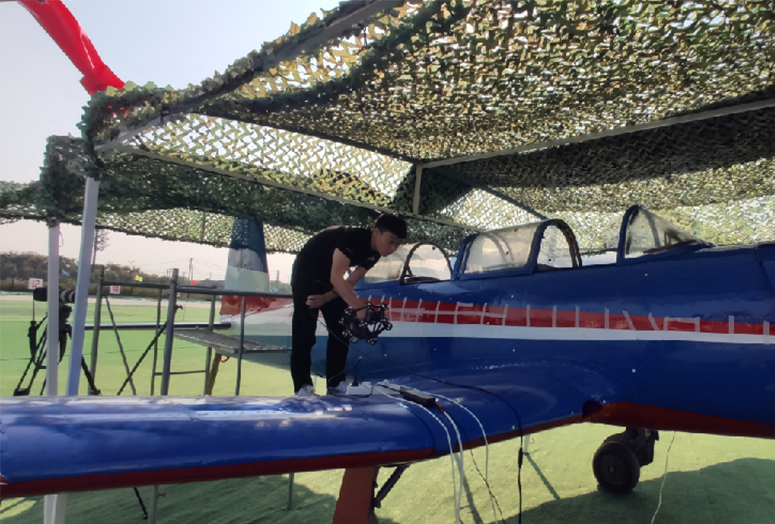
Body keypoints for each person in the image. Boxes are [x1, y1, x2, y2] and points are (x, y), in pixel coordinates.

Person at [290, 214, 407, 396]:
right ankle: (302, 385)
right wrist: (359, 308)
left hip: (331, 278)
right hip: (307, 272)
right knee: (304, 330)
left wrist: (327, 298)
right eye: (391, 241)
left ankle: (335, 382)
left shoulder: (375, 253)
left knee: (341, 329)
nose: (392, 249)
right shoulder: (353, 239)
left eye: (397, 244)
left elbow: (350, 281)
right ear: (376, 232)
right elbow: (337, 278)